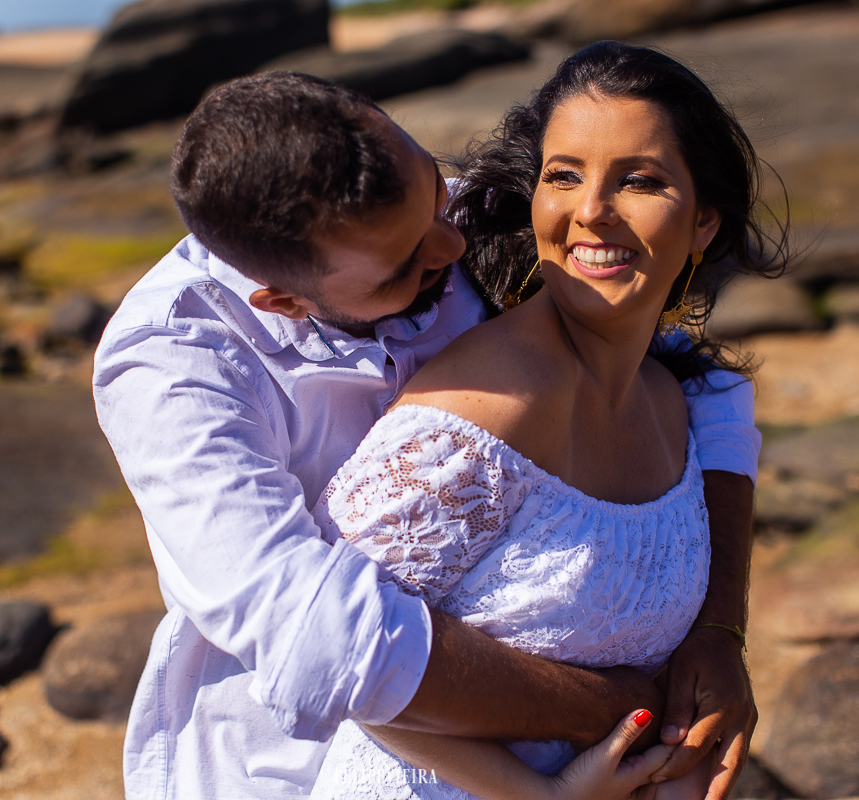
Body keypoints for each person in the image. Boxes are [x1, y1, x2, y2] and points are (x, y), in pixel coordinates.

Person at [92, 68, 761, 800]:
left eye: (438, 201)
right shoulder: (174, 366)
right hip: (273, 765)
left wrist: (717, 632)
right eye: (407, 265)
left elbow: (698, 385)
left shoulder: (456, 210)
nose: (454, 246)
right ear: (283, 300)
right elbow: (321, 636)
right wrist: (615, 712)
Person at [306, 40, 787, 800]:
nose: (591, 211)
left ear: (702, 225)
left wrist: (721, 637)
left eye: (641, 181)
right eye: (564, 175)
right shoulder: (479, 411)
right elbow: (335, 656)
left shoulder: (675, 399)